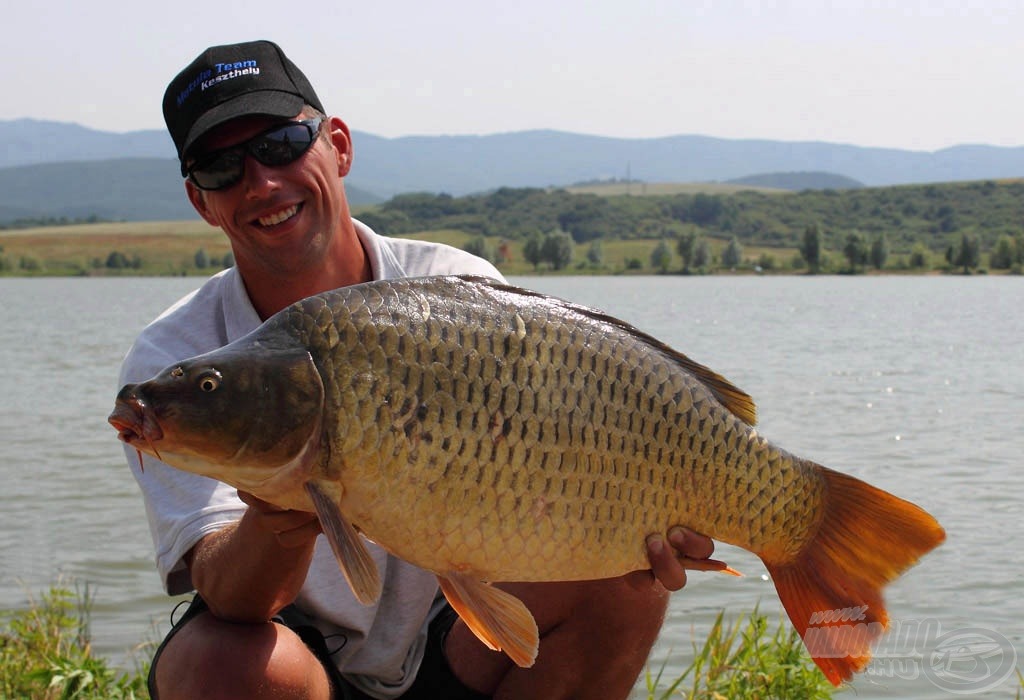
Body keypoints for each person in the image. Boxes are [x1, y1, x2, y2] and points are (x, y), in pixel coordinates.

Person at [119, 39, 718, 700]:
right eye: (220, 166)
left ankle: (812, 564)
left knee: (628, 582)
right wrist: (277, 512)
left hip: (453, 634)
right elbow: (230, 594)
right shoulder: (172, 356)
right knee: (214, 663)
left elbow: (554, 474)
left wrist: (642, 519)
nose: (260, 181)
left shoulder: (460, 290)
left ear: (338, 145)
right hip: (296, 659)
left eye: (283, 143)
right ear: (200, 200)